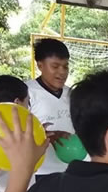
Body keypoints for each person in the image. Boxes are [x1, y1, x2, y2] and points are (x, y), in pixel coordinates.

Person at [26, 38, 73, 177]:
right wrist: (45, 136)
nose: (62, 72)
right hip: (39, 172)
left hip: (69, 170)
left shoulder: (71, 94)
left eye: (65, 66)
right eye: (55, 66)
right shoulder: (27, 93)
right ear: (40, 65)